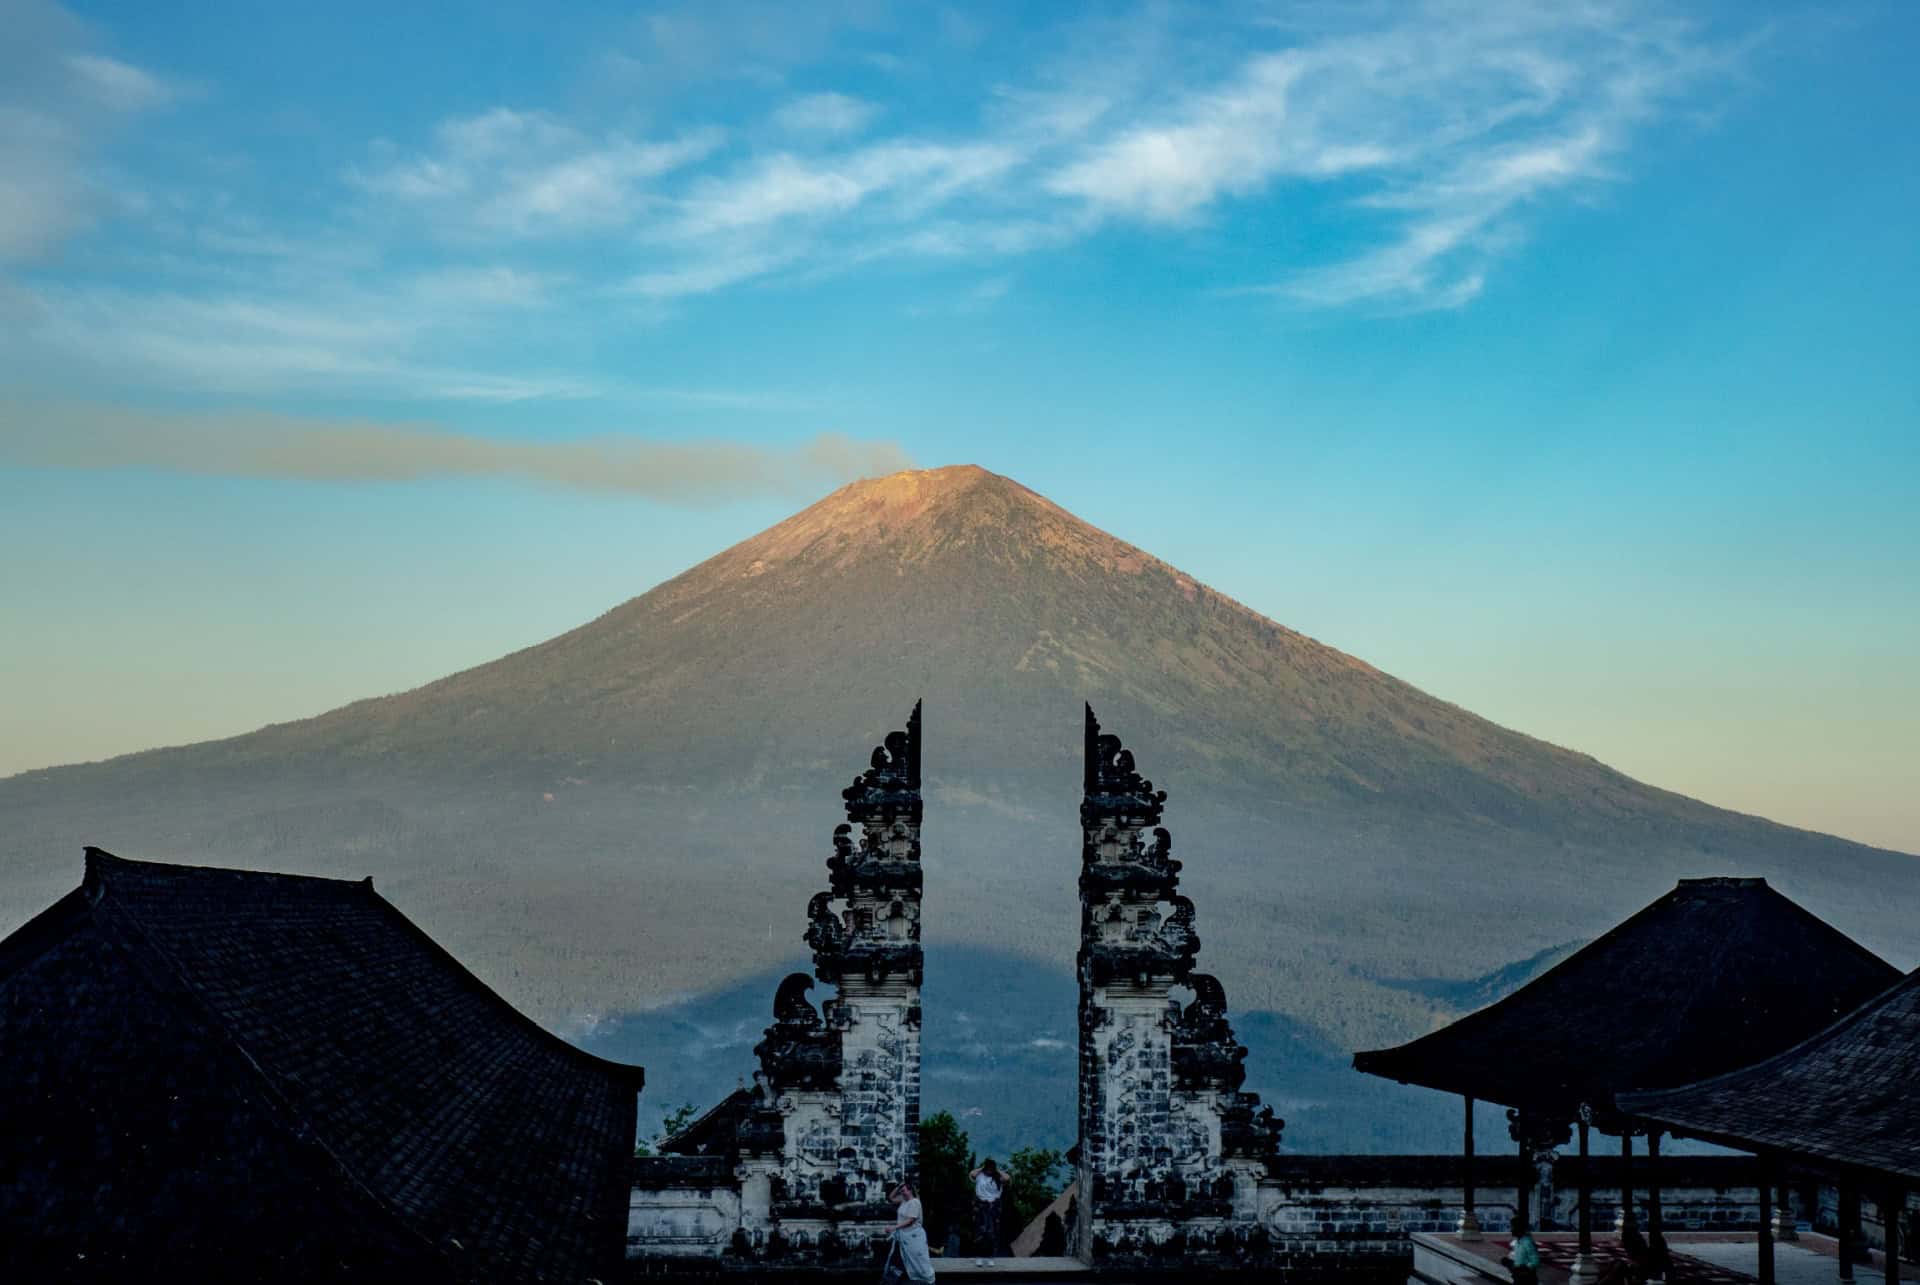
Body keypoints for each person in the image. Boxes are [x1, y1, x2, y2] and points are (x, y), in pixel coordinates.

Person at [887, 1180, 936, 1283]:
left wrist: (894, 1227)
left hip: (914, 1235)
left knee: (919, 1258)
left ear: (910, 1191)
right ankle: (896, 1277)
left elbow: (910, 1220)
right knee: (903, 1257)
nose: (902, 1193)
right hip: (904, 1236)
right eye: (901, 1191)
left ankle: (928, 1279)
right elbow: (891, 1198)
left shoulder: (915, 1202)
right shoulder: (903, 1200)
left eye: (904, 1191)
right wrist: (898, 1186)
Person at [969, 1158, 1004, 1266]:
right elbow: (972, 1174)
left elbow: (1008, 1178)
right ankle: (979, 1257)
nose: (989, 1170)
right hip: (981, 1205)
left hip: (994, 1206)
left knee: (992, 1232)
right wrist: (982, 1168)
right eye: (988, 1168)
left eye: (991, 1168)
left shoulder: (998, 1178)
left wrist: (997, 1170)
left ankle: (991, 1257)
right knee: (980, 1232)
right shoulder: (980, 1176)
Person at [1501, 1216, 1541, 1285]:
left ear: (1518, 1228)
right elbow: (1519, 1260)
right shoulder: (1517, 1243)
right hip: (1518, 1278)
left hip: (1527, 1280)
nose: (1511, 1230)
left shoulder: (1527, 1242)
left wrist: (1524, 1269)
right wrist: (1509, 1262)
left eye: (1512, 1227)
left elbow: (1535, 1261)